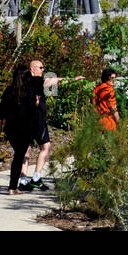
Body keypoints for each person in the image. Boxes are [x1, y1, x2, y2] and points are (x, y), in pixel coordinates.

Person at [20, 58, 83, 191]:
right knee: (45, 147)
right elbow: (53, 80)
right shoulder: (37, 82)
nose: (43, 70)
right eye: (40, 68)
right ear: (32, 69)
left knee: (27, 149)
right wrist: (73, 79)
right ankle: (36, 178)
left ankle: (23, 180)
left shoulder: (23, 83)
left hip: (25, 120)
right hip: (37, 120)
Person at [0, 65, 36, 195]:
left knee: (18, 156)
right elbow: (33, 109)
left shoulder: (9, 91)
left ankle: (13, 186)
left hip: (11, 129)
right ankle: (12, 187)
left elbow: (1, 112)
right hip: (25, 128)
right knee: (18, 157)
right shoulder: (29, 91)